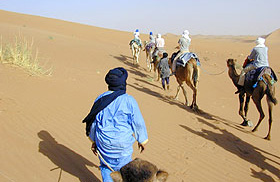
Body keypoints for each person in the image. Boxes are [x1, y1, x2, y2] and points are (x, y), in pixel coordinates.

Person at [82, 67, 148, 182]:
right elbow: (138, 123)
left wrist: (93, 141)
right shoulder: (129, 100)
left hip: (104, 144)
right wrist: (142, 140)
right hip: (123, 146)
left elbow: (93, 122)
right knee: (125, 170)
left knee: (106, 167)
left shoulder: (100, 99)